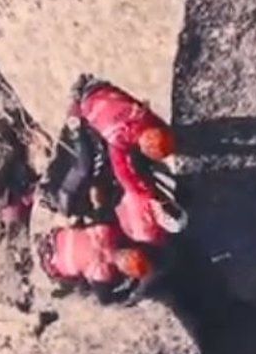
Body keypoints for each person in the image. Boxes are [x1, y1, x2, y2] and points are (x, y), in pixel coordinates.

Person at [72, 77, 187, 244]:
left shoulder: (140, 117)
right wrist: (145, 192)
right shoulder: (119, 136)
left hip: (100, 92)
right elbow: (123, 175)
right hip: (88, 106)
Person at [38, 222, 156, 304]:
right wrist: (132, 290)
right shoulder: (101, 271)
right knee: (84, 287)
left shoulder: (106, 232)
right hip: (55, 263)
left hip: (58, 238)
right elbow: (105, 299)